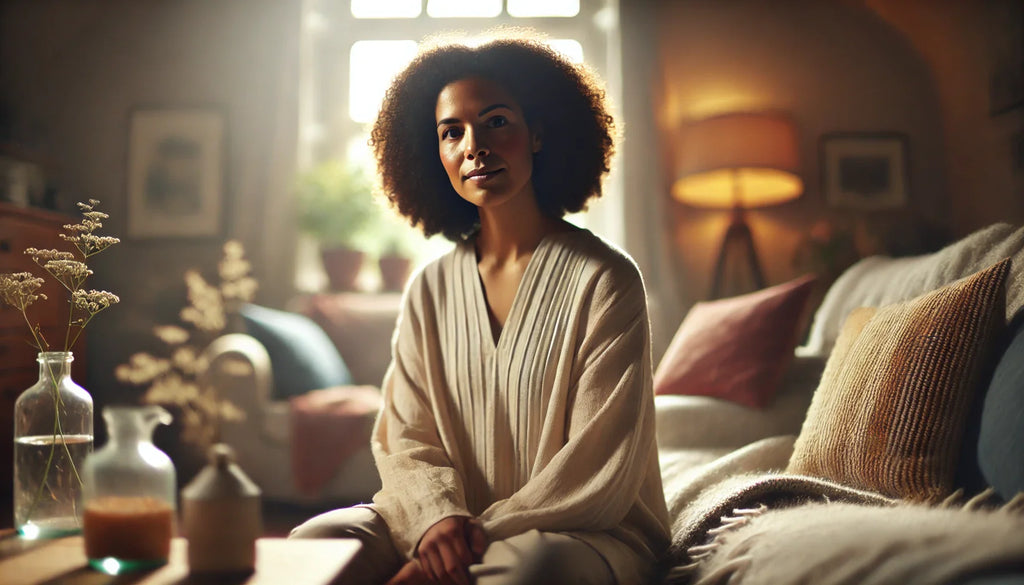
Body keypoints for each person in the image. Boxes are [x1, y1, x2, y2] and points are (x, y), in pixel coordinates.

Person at [290, 32, 671, 585]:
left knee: (533, 567)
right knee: (316, 545)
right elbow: (406, 437)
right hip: (444, 526)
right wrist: (435, 520)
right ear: (436, 154)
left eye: (496, 121)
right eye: (452, 132)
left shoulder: (606, 280)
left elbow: (600, 470)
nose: (474, 146)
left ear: (537, 133)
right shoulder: (430, 288)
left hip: (582, 531)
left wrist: (461, 545)